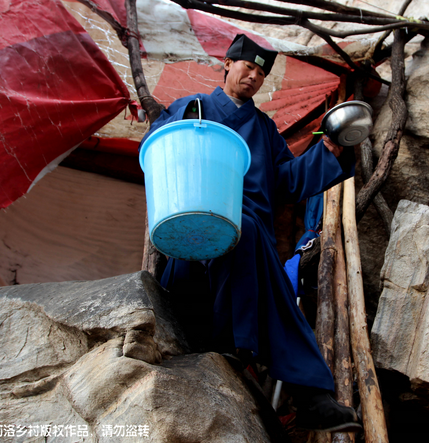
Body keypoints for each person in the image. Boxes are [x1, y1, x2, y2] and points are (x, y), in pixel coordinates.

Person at [141, 34, 361, 432]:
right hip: (193, 245)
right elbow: (159, 154)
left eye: (261, 73)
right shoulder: (193, 108)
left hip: (247, 246)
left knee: (248, 236)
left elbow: (289, 183)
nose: (253, 76)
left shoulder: (263, 128)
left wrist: (328, 149)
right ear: (227, 63)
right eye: (247, 66)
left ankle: (248, 353)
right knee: (255, 255)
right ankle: (309, 393)